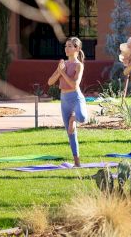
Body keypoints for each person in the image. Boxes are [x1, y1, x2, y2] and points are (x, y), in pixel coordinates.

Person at [47, 37, 88, 167]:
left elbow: (74, 85)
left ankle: (73, 119)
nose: (66, 48)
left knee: (82, 117)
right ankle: (77, 163)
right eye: (66, 46)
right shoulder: (62, 64)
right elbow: (50, 82)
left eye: (70, 46)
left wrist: (62, 73)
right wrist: (59, 71)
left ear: (77, 48)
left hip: (75, 97)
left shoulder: (78, 65)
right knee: (70, 133)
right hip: (64, 99)